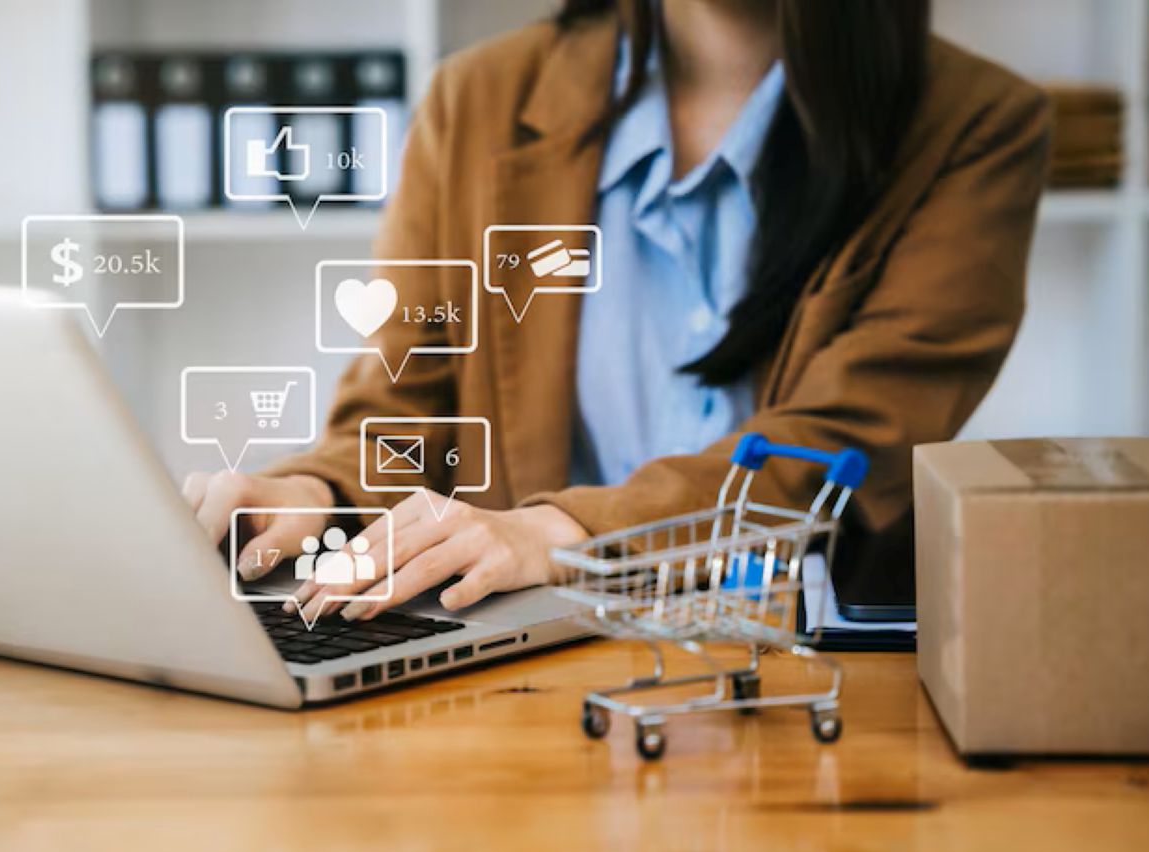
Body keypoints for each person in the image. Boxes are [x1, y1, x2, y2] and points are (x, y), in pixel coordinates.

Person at [184, 0, 1051, 620]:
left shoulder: (975, 125)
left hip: (806, 673)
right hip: (521, 685)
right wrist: (318, 492)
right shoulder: (475, 101)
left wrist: (565, 532)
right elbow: (410, 402)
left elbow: (843, 444)